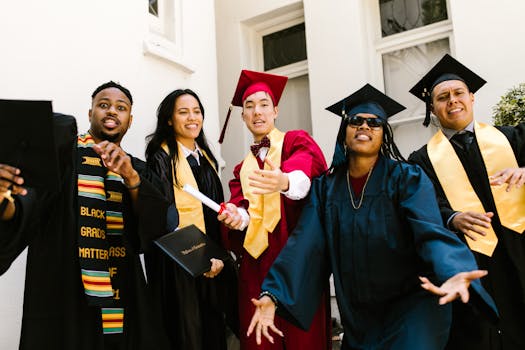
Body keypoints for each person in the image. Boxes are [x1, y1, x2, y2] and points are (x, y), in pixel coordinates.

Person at [247, 84, 498, 350]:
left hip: (413, 306)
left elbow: (432, 234)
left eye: (374, 123)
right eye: (356, 121)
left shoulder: (406, 179)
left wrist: (454, 270)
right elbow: (305, 244)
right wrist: (273, 293)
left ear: (384, 135)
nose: (364, 127)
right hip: (360, 315)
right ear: (344, 133)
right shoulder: (325, 189)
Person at [0, 81, 170, 350]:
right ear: (90, 113)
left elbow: (157, 225)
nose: (112, 111)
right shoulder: (61, 158)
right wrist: (4, 200)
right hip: (65, 288)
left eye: (120, 108)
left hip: (120, 289)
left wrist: (131, 178)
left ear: (129, 120)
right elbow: (26, 207)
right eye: (103, 105)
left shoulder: (137, 169)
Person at [408, 54, 525, 349]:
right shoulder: (421, 160)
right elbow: (424, 205)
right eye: (442, 97)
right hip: (471, 260)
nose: (452, 101)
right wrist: (452, 218)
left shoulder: (511, 138)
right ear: (432, 108)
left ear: (472, 98)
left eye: (459, 93)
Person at [218, 70, 330, 350]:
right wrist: (236, 218)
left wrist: (285, 180)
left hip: (296, 260)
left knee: (302, 340)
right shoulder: (241, 168)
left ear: (276, 110)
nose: (257, 112)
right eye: (249, 106)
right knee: (260, 341)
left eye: (264, 104)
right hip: (256, 267)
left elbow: (308, 169)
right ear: (243, 116)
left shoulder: (295, 142)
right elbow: (243, 208)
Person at [144, 88, 239, 350]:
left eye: (197, 111)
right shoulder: (161, 159)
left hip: (212, 258)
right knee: (189, 332)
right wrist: (199, 258)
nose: (192, 118)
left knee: (213, 328)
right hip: (180, 263)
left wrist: (219, 256)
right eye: (183, 112)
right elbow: (165, 219)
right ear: (169, 120)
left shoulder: (206, 157)